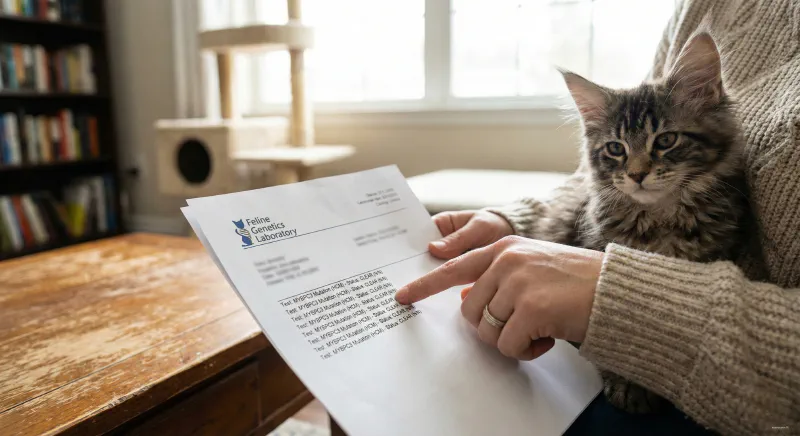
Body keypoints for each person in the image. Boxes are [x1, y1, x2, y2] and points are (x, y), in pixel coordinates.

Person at [394, 0, 799, 435]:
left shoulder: (720, 207)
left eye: (664, 143)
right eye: (618, 152)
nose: (638, 170)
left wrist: (617, 307)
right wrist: (517, 221)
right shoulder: (698, 8)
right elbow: (588, 181)